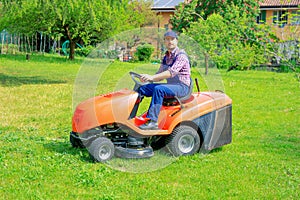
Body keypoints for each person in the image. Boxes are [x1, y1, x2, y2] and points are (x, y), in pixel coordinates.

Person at [138, 30, 191, 130]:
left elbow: (171, 73)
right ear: (164, 42)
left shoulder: (181, 56)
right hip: (172, 86)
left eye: (172, 39)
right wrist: (147, 79)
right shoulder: (166, 57)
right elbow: (160, 74)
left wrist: (152, 77)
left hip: (182, 87)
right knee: (142, 88)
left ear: (176, 41)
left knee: (159, 89)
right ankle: (129, 116)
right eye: (167, 39)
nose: (170, 41)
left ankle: (153, 122)